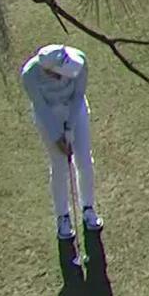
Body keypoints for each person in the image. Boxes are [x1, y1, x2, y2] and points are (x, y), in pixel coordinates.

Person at [20, 44, 103, 240]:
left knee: (84, 160)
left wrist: (69, 128)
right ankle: (63, 217)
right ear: (49, 71)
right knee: (59, 165)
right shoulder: (30, 75)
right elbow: (41, 107)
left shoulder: (79, 60)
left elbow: (78, 96)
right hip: (49, 116)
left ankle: (88, 207)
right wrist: (57, 136)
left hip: (75, 110)